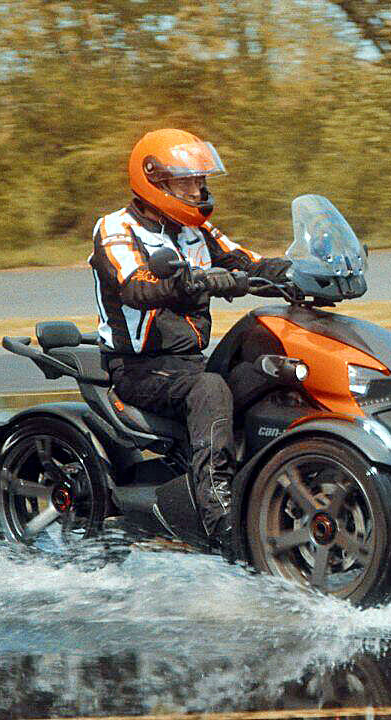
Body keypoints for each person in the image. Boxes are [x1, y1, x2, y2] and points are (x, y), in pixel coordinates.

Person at [88, 128, 290, 546]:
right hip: (139, 368)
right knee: (210, 388)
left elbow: (248, 262)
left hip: (189, 363)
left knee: (273, 362)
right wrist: (194, 281)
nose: (198, 189)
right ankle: (221, 519)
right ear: (155, 182)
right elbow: (135, 284)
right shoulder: (115, 228)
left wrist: (305, 272)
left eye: (200, 180)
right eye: (187, 181)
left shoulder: (197, 231)